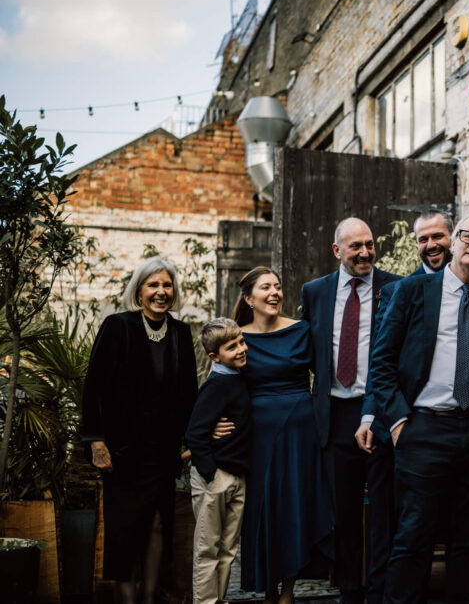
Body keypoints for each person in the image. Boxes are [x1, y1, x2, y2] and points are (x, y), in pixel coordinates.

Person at [369, 214, 469, 604]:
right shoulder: (412, 291)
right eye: (467, 235)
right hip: (425, 431)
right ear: (453, 242)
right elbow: (382, 361)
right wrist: (401, 421)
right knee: (412, 539)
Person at [82, 256, 198, 604]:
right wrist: (95, 440)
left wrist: (191, 441)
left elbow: (189, 394)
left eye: (166, 285)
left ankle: (149, 598)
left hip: (163, 455)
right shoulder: (118, 327)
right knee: (124, 533)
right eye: (153, 285)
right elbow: (93, 388)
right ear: (140, 290)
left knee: (158, 527)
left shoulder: (180, 333)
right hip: (122, 453)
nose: (161, 292)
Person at [301, 218, 402, 604]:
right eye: (355, 246)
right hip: (334, 412)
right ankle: (350, 589)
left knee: (382, 508)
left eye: (369, 244)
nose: (364, 252)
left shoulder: (395, 287)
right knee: (342, 510)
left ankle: (379, 589)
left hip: (379, 410)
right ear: (336, 250)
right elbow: (307, 351)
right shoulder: (315, 292)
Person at [234, 266, 334, 604]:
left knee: (294, 505)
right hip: (258, 435)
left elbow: (324, 379)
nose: (275, 292)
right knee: (263, 509)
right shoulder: (237, 336)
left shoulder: (302, 330)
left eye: (278, 286)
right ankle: (267, 590)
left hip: (300, 432)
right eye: (266, 288)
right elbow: (223, 386)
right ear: (249, 298)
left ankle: (288, 591)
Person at [186, 318, 252, 604]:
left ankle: (219, 598)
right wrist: (211, 473)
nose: (241, 349)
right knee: (208, 548)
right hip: (215, 478)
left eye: (241, 342)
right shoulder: (216, 386)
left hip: (237, 476)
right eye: (231, 347)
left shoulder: (238, 378)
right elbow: (195, 434)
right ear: (214, 356)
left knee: (228, 549)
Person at [411, 209, 453, 275]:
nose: (430, 246)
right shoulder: (409, 285)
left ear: (453, 237)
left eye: (437, 237)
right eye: (423, 240)